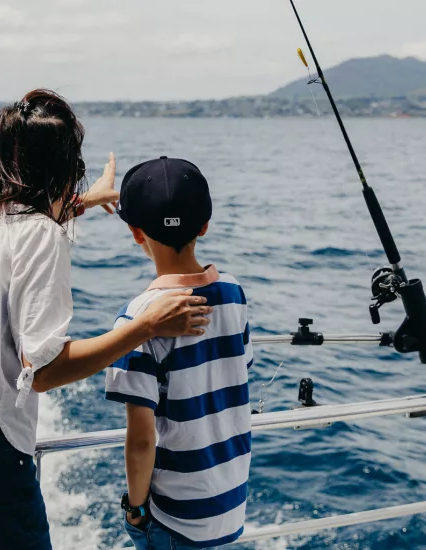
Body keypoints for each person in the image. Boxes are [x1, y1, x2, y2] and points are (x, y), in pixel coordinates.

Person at [0, 90, 212, 550]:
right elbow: (45, 370)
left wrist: (83, 201)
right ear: (65, 165)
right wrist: (146, 326)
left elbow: (12, 223)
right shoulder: (41, 237)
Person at [105, 157, 253, 549]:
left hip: (176, 515)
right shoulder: (234, 294)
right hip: (229, 500)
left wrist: (135, 509)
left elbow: (140, 440)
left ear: (136, 233)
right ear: (204, 226)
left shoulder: (138, 319)